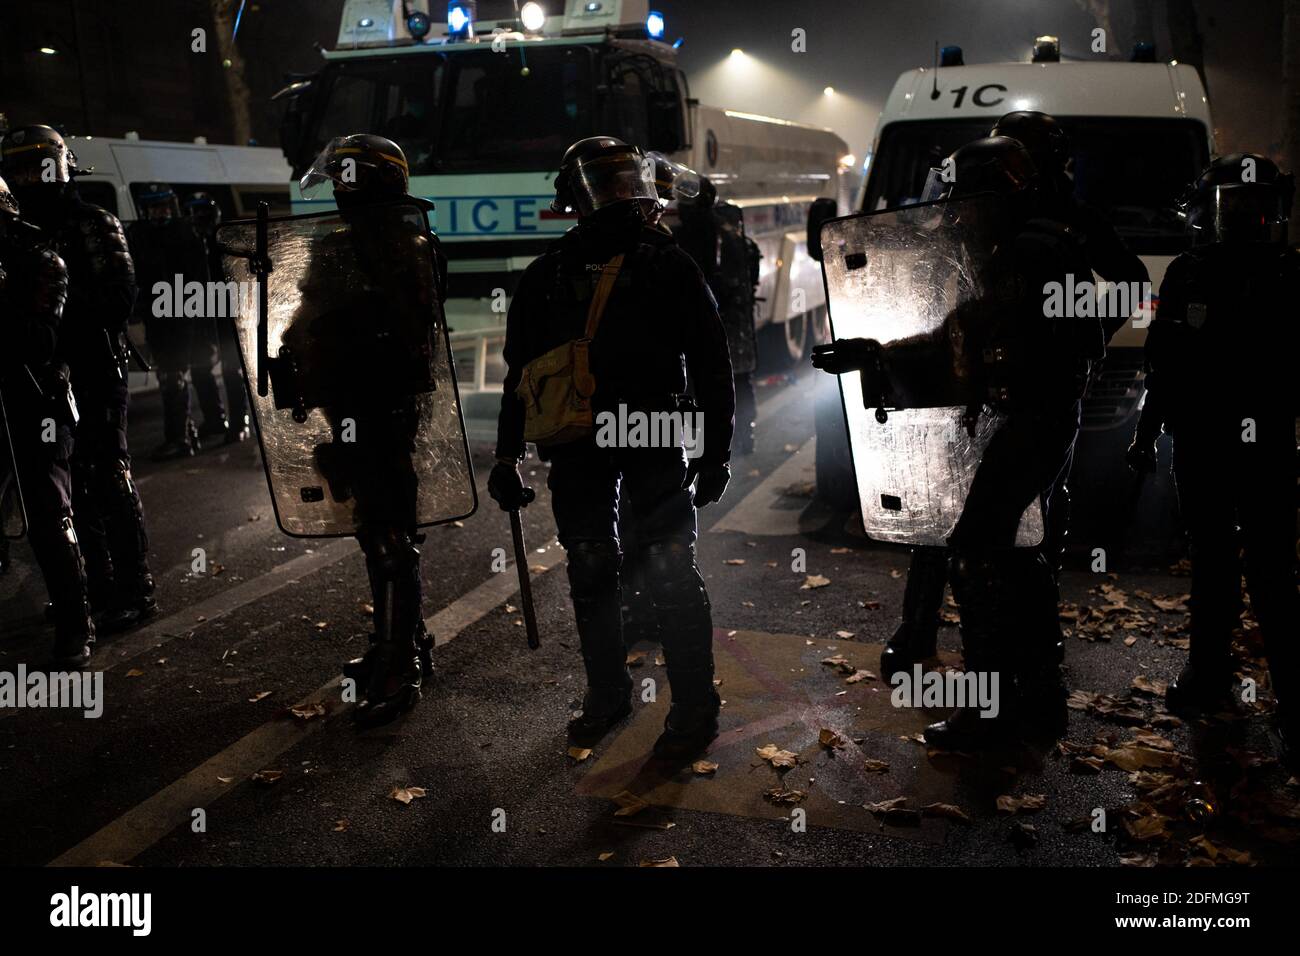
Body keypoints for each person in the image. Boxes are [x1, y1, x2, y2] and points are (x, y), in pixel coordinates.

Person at [814, 136, 1096, 749]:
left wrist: (1017, 382)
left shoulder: (1038, 249)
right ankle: (1038, 702)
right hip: (1015, 418)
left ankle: (991, 711)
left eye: (971, 193)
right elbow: (953, 343)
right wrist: (873, 354)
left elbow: (1075, 346)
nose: (961, 206)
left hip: (1032, 418)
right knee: (1017, 555)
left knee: (976, 551)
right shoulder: (1003, 248)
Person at [878, 111, 1149, 686]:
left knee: (1030, 523)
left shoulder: (1067, 223)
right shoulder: (979, 212)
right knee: (945, 504)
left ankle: (1031, 652)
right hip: (969, 381)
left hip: (1032, 392)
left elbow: (1129, 282)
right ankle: (918, 628)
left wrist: (1083, 340)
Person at [490, 136, 735, 759]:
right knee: (616, 567)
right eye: (613, 184)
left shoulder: (652, 266)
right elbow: (523, 371)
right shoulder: (560, 274)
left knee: (642, 568)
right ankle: (629, 696)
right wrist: (505, 453)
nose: (621, 196)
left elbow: (711, 363)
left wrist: (715, 450)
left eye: (624, 182)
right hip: (606, 439)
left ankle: (678, 704)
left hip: (619, 436)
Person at [1128, 153, 1298, 769]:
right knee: (1220, 566)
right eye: (1237, 206)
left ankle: (1282, 697)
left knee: (1270, 571)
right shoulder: (1190, 274)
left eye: (1258, 208)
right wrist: (1146, 435)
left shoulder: (1286, 275)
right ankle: (1211, 677)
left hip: (1258, 446)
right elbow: (1163, 363)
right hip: (1208, 444)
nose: (1247, 218)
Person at [288, 134, 443, 726]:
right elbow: (306, 310)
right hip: (345, 399)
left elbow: (411, 329)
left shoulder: (406, 241)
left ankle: (400, 658)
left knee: (387, 532)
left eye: (350, 179)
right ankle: (399, 642)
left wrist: (331, 342)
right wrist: (293, 357)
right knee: (375, 526)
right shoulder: (343, 241)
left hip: (385, 402)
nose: (341, 191)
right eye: (338, 180)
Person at [0, 125, 155, 633]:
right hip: (43, 377)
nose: (29, 179)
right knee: (70, 490)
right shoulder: (19, 233)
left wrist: (56, 324)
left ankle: (136, 590)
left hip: (94, 369)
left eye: (37, 166)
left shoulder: (93, 221)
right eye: (18, 168)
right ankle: (95, 587)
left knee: (107, 474)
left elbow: (118, 298)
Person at [0, 173, 96, 665]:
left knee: (49, 517)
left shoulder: (41, 261)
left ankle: (77, 622)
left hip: (38, 404)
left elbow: (40, 341)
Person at [127, 183, 224, 459]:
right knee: (174, 377)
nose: (160, 212)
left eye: (164, 206)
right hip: (160, 319)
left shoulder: (185, 233)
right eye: (155, 207)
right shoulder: (141, 235)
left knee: (175, 378)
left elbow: (201, 280)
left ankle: (181, 438)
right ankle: (193, 430)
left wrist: (205, 324)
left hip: (183, 317)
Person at [674, 177, 762, 455]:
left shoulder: (695, 233)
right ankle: (742, 434)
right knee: (737, 380)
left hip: (712, 321)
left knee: (698, 384)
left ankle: (699, 445)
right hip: (736, 323)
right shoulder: (731, 232)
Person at [185, 191, 249, 444]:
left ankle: (239, 422)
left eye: (204, 213)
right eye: (196, 213)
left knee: (232, 369)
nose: (200, 217)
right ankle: (214, 419)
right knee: (200, 368)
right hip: (201, 311)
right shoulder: (190, 241)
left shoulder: (226, 240)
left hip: (227, 313)